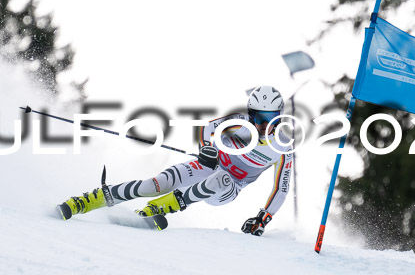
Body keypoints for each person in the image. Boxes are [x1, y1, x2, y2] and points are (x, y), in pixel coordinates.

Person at [57, 86, 293, 236]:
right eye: (258, 117)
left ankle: (161, 207)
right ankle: (88, 201)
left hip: (226, 188)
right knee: (153, 185)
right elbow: (208, 127)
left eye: (270, 118)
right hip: (205, 167)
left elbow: (281, 190)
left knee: (221, 177)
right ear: (250, 114)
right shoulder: (239, 121)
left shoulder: (282, 147)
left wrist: (262, 218)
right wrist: (207, 148)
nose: (263, 124)